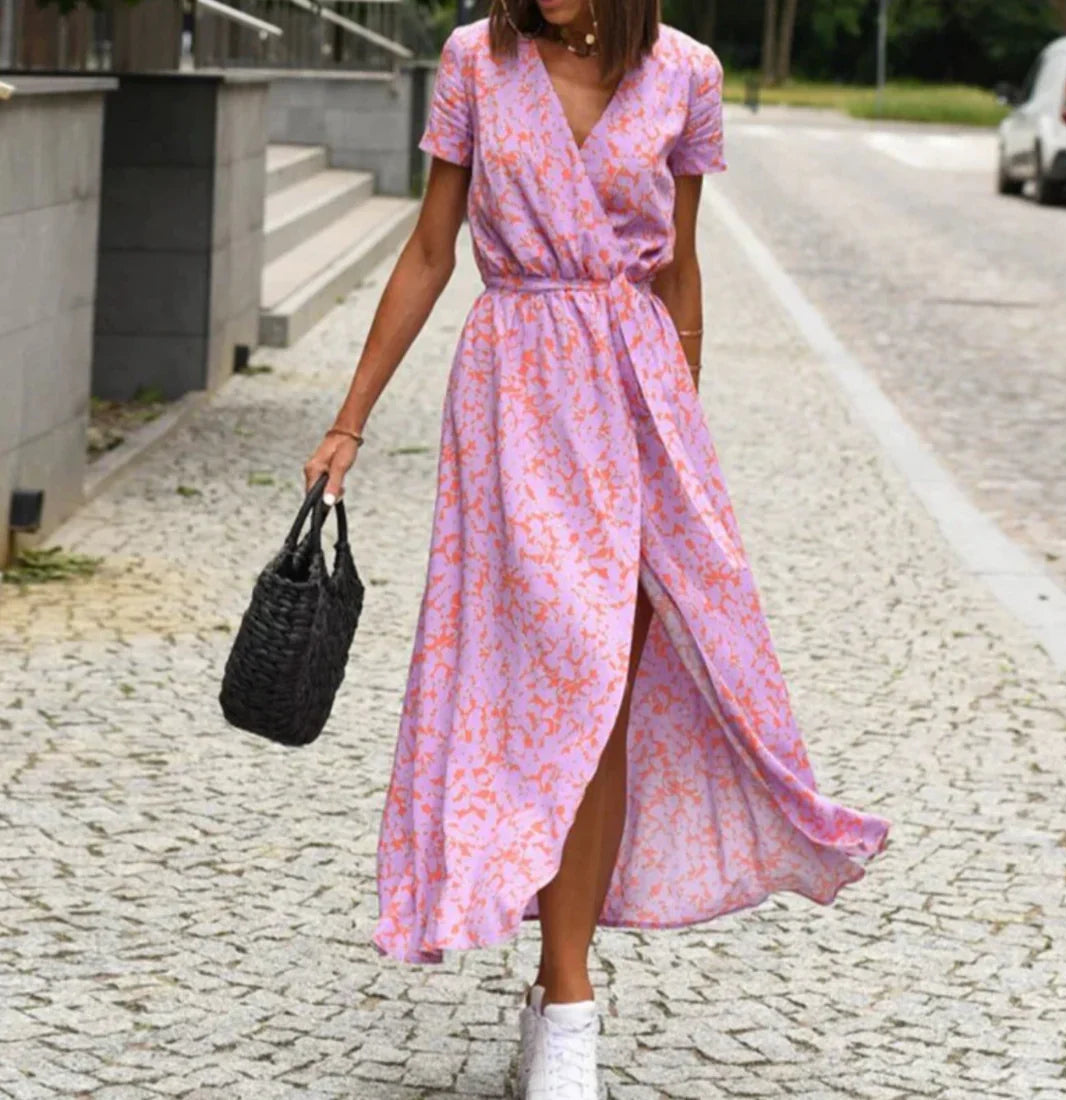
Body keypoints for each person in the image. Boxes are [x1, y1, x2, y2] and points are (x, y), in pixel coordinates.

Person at [302, 2, 892, 1097]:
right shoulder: (477, 57)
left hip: (634, 403)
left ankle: (564, 995)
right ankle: (557, 984)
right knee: (551, 679)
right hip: (514, 394)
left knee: (603, 690)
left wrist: (684, 435)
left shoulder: (688, 74)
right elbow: (432, 247)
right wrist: (350, 416)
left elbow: (679, 273)